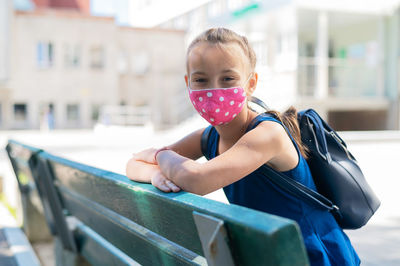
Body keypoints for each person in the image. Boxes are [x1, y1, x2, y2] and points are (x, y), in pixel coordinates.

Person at [126, 27, 360, 266]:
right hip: (273, 255)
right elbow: (133, 164)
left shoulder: (268, 134)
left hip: (314, 257)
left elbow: (196, 180)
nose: (215, 89)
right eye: (201, 80)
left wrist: (159, 155)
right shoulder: (207, 138)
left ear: (251, 83)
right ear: (188, 84)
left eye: (228, 78)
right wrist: (155, 173)